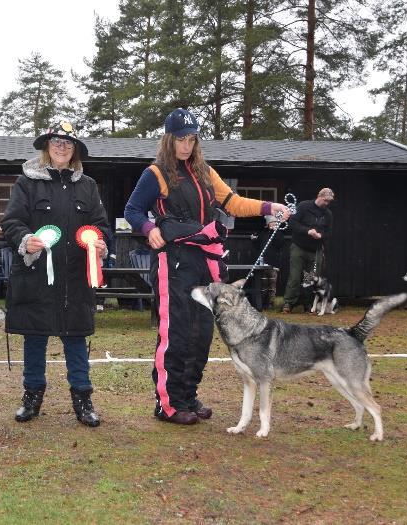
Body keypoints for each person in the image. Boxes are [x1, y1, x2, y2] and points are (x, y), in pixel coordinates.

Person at [123, 108, 291, 425]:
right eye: (180, 139)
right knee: (176, 332)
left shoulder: (205, 172)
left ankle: (188, 396)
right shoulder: (155, 173)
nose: (186, 145)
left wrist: (270, 207)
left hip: (207, 260)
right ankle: (168, 404)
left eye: (191, 138)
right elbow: (132, 210)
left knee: (201, 333)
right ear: (168, 139)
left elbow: (233, 203)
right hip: (173, 260)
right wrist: (149, 230)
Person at [1, 121, 110, 428]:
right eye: (56, 142)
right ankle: (32, 397)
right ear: (46, 146)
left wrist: (100, 243)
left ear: (75, 150)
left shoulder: (87, 186)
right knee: (34, 339)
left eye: (68, 143)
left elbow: (100, 225)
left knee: (76, 339)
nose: (62, 147)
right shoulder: (27, 182)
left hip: (75, 279)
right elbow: (11, 223)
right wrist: (25, 240)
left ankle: (83, 400)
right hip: (36, 275)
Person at [281, 187, 334, 313]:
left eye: (329, 202)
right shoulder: (304, 206)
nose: (327, 204)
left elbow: (328, 232)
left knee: (312, 278)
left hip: (315, 250)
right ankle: (288, 303)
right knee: (294, 276)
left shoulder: (328, 214)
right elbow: (293, 223)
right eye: (325, 200)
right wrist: (307, 231)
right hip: (298, 246)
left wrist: (321, 236)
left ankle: (309, 304)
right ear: (319, 196)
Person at [251, 215, 286, 310]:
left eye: (275, 222)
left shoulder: (278, 234)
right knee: (263, 285)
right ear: (268, 224)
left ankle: (270, 304)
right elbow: (258, 246)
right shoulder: (263, 233)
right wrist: (254, 240)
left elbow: (280, 243)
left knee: (272, 285)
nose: (274, 224)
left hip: (273, 264)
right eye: (272, 222)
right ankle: (262, 303)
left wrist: (275, 232)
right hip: (263, 264)